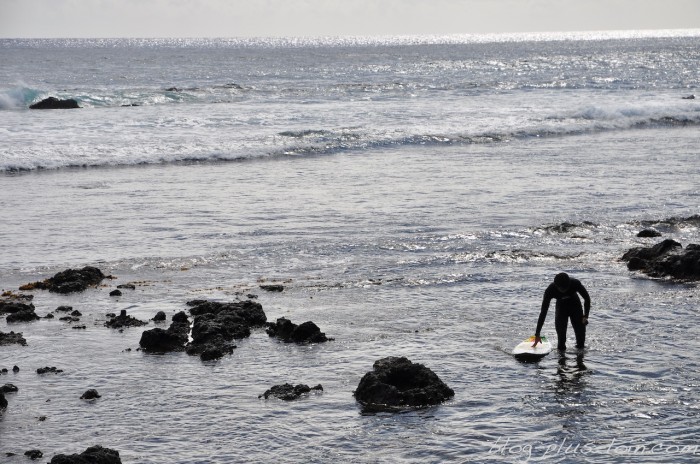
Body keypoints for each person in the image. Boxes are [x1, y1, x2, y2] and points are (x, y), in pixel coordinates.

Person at [533, 272, 590, 351]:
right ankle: (562, 361)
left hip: (575, 306)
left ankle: (580, 361)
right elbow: (543, 312)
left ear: (569, 284)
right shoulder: (550, 290)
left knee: (580, 341)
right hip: (561, 308)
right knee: (561, 341)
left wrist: (585, 316)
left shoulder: (575, 283)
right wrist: (537, 334)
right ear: (556, 286)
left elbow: (587, 298)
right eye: (562, 289)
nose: (564, 290)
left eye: (566, 288)